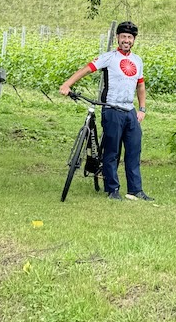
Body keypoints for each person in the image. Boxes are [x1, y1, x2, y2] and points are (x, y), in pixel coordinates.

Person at [59, 21, 152, 201]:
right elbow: (86, 69)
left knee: (134, 150)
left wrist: (142, 109)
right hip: (112, 109)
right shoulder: (109, 57)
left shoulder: (137, 60)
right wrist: (67, 85)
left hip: (130, 111)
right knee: (112, 151)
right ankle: (112, 189)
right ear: (117, 38)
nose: (126, 40)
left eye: (130, 37)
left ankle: (136, 190)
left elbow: (141, 86)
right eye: (123, 36)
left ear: (134, 40)